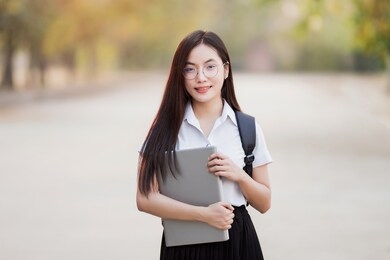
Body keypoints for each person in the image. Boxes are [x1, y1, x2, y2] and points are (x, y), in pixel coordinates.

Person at [136, 30, 272, 260]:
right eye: (190, 69)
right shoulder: (164, 129)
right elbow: (145, 198)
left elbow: (264, 202)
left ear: (226, 70)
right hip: (183, 246)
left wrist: (239, 175)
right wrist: (203, 215)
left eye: (210, 67)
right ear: (180, 75)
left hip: (238, 244)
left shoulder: (247, 128)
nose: (201, 77)